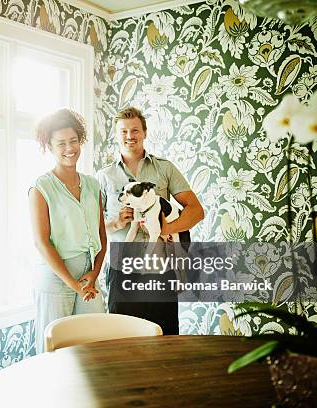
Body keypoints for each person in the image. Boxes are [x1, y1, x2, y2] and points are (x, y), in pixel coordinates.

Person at [96, 107, 204, 334]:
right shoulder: (104, 177)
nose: (129, 136)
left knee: (164, 337)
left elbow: (196, 211)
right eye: (123, 131)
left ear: (144, 133)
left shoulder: (164, 168)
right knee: (120, 338)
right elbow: (91, 227)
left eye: (135, 130)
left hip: (160, 268)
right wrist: (116, 223)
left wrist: (168, 228)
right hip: (121, 267)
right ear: (116, 136)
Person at [29, 108, 107, 353]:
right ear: (50, 147)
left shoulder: (93, 185)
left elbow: (101, 235)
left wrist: (94, 274)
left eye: (73, 141)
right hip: (56, 278)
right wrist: (74, 285)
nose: (69, 148)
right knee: (53, 350)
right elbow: (42, 243)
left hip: (88, 276)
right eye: (61, 143)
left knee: (93, 347)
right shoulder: (41, 187)